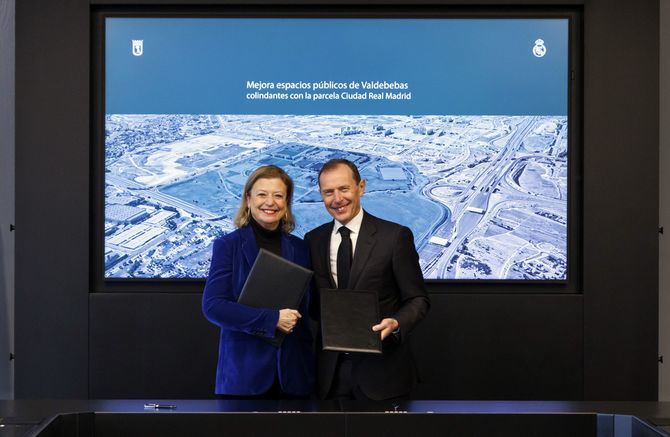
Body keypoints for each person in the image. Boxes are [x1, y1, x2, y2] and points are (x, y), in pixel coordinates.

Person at [304, 158, 430, 401]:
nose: (337, 199)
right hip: (329, 375)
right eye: (328, 192)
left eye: (344, 189)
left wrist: (396, 323)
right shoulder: (313, 240)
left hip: (383, 374)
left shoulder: (395, 237)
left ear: (361, 187)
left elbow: (418, 299)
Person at [202, 165, 314, 398]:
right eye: (262, 194)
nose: (270, 202)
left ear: (286, 202)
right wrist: (272, 319)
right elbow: (213, 307)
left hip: (294, 377)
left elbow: (309, 308)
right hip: (244, 376)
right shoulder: (228, 246)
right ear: (248, 199)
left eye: (278, 195)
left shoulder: (301, 248)